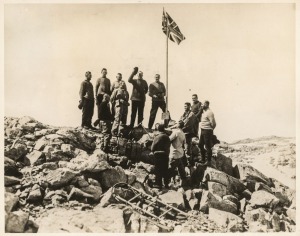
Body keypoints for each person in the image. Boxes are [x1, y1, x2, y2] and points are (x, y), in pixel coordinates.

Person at [151, 124, 171, 189]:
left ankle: (159, 185)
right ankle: (166, 184)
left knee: (158, 170)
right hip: (166, 155)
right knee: (165, 170)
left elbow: (152, 148)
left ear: (158, 129)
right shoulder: (167, 137)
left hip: (158, 155)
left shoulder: (157, 137)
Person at [199, 100, 216, 166]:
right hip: (202, 130)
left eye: (202, 104)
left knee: (207, 146)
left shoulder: (210, 112)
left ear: (206, 104)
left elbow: (213, 123)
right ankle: (203, 159)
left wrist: (210, 130)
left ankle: (208, 161)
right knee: (200, 145)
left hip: (207, 131)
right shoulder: (204, 112)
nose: (201, 105)